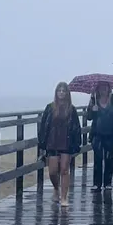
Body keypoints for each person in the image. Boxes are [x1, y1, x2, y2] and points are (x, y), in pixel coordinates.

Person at [38, 81, 83, 209]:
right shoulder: (50, 107)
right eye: (59, 91)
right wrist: (42, 143)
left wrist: (77, 143)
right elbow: (44, 126)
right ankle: (56, 188)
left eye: (64, 91)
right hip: (52, 142)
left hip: (66, 142)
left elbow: (76, 127)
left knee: (64, 169)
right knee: (52, 171)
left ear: (67, 93)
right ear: (56, 93)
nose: (61, 93)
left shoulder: (71, 108)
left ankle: (64, 197)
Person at [85, 81, 113, 193]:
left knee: (109, 158)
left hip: (110, 134)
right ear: (98, 89)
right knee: (98, 159)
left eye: (105, 87)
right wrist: (92, 110)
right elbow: (89, 117)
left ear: (109, 88)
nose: (103, 89)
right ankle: (97, 183)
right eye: (101, 87)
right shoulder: (93, 100)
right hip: (97, 134)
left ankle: (108, 183)